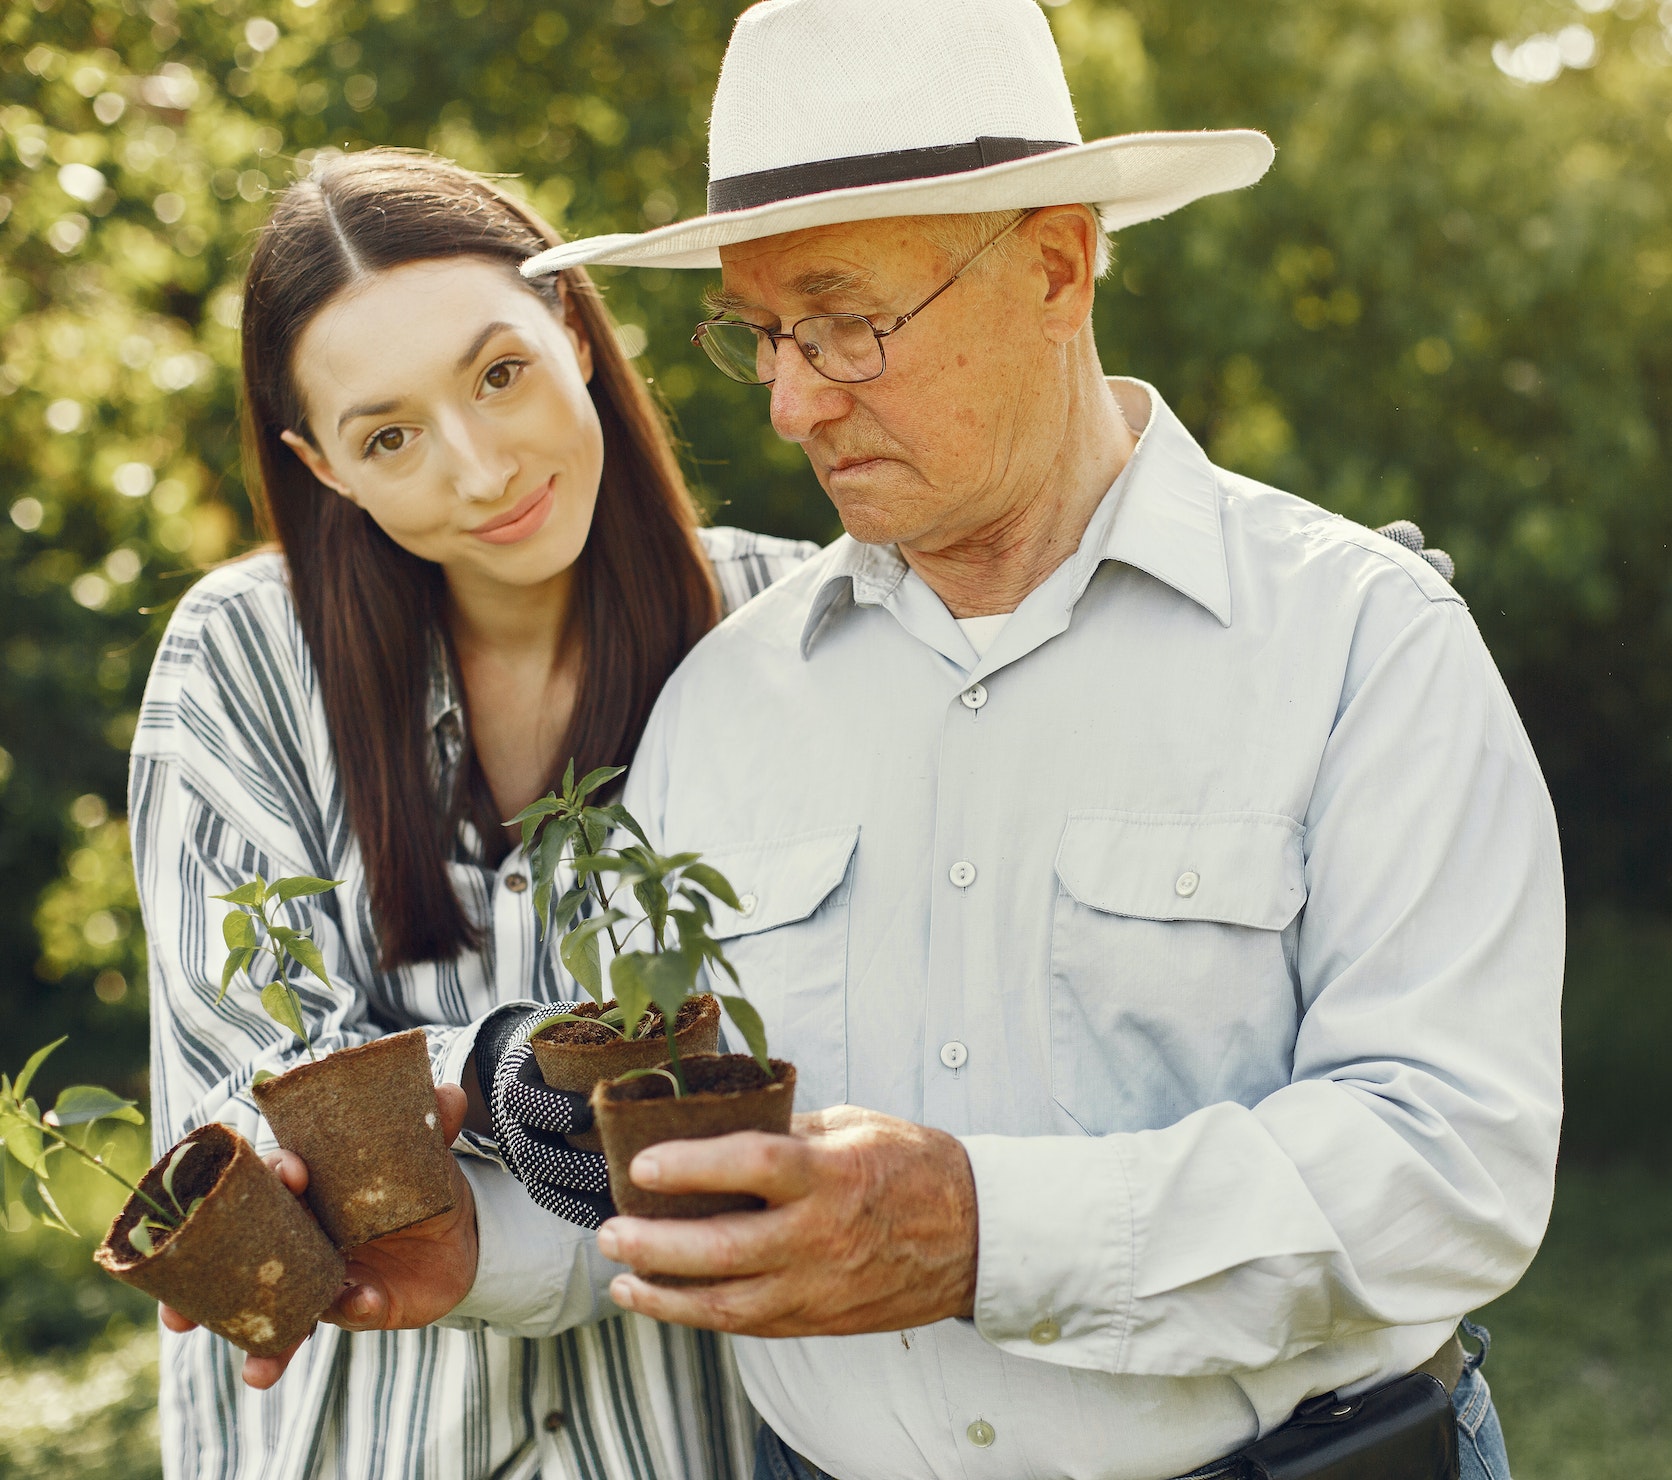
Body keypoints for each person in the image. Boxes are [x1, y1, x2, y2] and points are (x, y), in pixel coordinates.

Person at [469, 3, 1558, 1478]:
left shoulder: (1361, 642)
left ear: (1056, 265)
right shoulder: (722, 706)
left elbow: (1451, 1167)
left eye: (845, 322)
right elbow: (676, 1186)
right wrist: (459, 1247)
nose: (791, 402)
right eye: (761, 335)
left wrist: (981, 1231)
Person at [130, 148, 812, 1480]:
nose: (482, 469)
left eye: (499, 373)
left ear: (573, 330)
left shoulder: (796, 632)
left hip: (707, 1440)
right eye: (388, 436)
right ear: (322, 467)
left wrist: (441, 1097)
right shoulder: (244, 659)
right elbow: (251, 1097)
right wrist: (497, 1071)